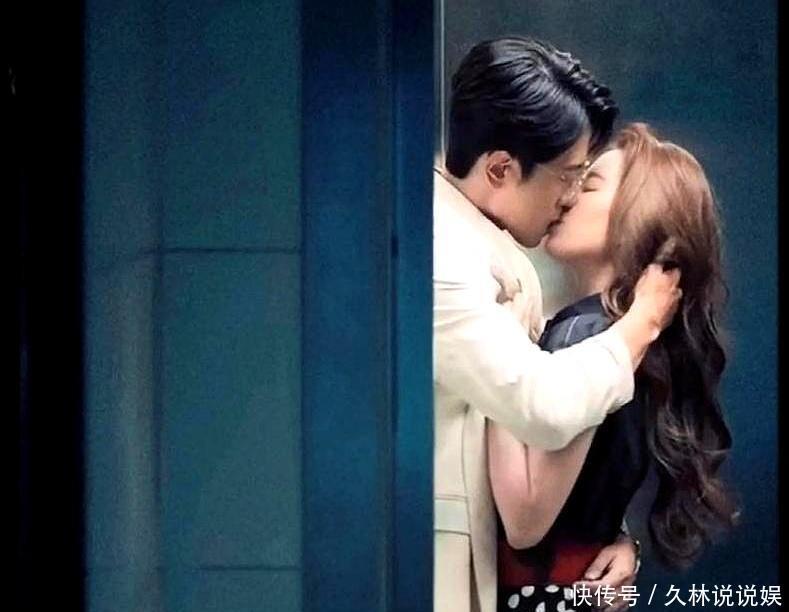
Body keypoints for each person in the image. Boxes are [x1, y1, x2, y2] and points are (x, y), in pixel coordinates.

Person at [433, 38, 682, 612]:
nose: (569, 197)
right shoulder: (442, 253)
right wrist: (642, 322)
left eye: (586, 180)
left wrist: (608, 535)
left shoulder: (487, 247)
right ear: (501, 168)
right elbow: (541, 406)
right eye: (571, 176)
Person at [489, 123, 738, 612]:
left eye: (589, 185)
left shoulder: (586, 335)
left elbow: (526, 520)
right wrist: (622, 539)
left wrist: (494, 351)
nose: (566, 196)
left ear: (640, 217)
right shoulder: (628, 340)